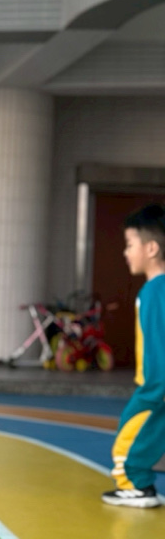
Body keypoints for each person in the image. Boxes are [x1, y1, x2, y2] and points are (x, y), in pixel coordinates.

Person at [102, 203, 165, 508]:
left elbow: (157, 348)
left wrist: (153, 392)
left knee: (127, 443)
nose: (125, 253)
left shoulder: (154, 292)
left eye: (129, 245)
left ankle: (137, 486)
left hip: (156, 389)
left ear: (151, 248)